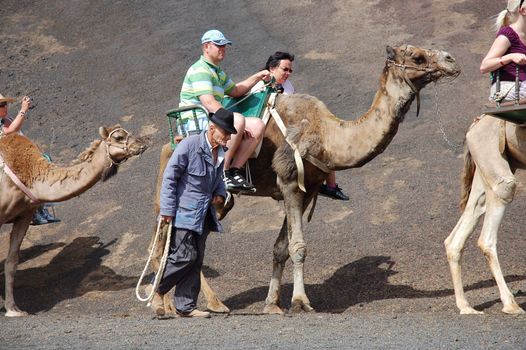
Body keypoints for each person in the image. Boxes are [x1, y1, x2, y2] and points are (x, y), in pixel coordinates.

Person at [152, 108, 234, 318]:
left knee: (196, 260)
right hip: (183, 212)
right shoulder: (190, 145)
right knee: (185, 256)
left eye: (229, 134)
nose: (227, 137)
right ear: (212, 128)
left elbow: (219, 182)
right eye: (225, 133)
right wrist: (168, 210)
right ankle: (157, 290)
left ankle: (185, 307)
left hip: (204, 214)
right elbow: (170, 177)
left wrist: (220, 194)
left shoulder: (220, 154)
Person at [178, 29, 270, 192]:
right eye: (219, 45)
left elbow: (235, 91)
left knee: (257, 125)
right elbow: (209, 102)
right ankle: (223, 172)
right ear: (206, 47)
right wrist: (236, 124)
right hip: (195, 121)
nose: (223, 49)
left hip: (211, 119)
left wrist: (257, 76)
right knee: (238, 120)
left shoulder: (217, 72)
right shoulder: (200, 70)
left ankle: (234, 171)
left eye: (225, 46)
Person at [254, 51, 349, 201]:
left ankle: (331, 186)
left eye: (290, 70)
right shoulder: (259, 85)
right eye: (284, 69)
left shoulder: (287, 85)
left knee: (323, 143)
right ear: (272, 68)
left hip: (288, 127)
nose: (288, 73)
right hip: (268, 132)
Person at [0, 93, 60, 225]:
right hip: (5, 161)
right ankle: (33, 213)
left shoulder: (8, 118)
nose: (5, 107)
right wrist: (23, 110)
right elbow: (10, 131)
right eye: (1, 105)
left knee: (44, 162)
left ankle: (41, 209)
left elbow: (18, 132)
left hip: (18, 156)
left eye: (5, 104)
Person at [481, 0, 526, 102]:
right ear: (523, 11)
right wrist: (511, 56)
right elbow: (484, 67)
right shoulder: (508, 34)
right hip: (506, 89)